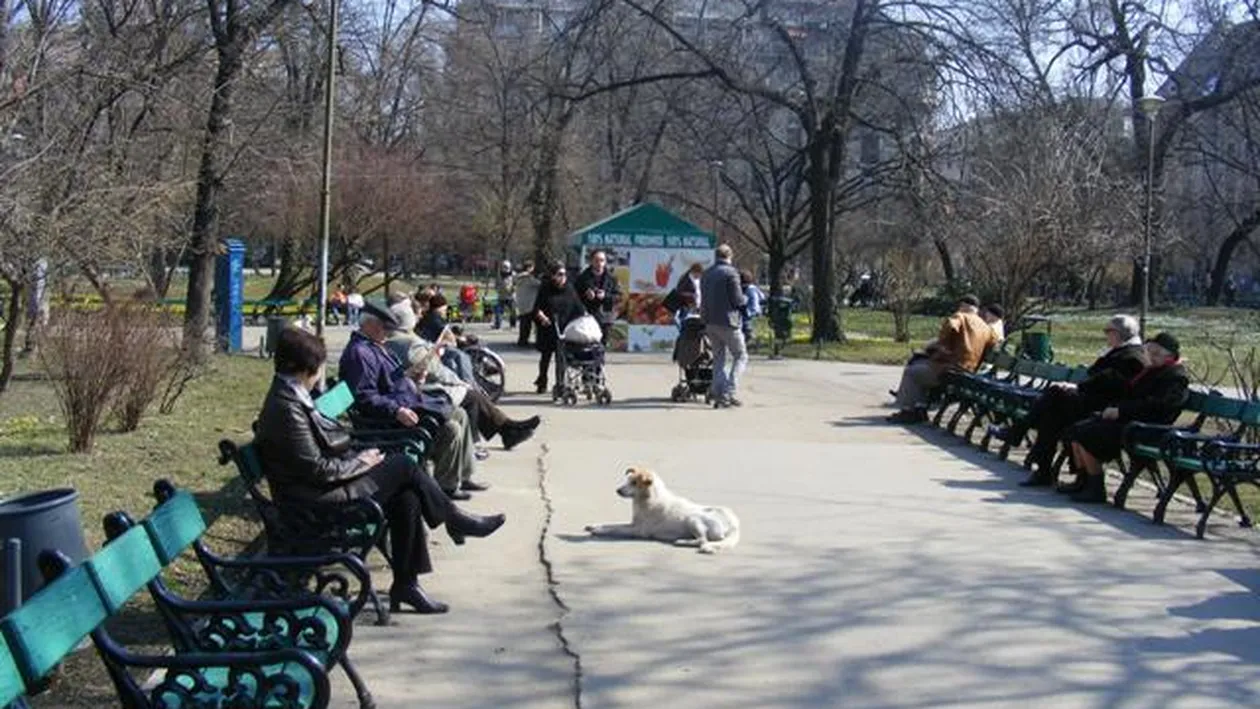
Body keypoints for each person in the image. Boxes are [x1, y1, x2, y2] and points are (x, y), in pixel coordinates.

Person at [254, 326, 505, 615]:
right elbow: (318, 469)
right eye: (317, 370)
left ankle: (407, 584)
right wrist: (361, 463)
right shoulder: (286, 407)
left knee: (407, 494)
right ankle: (453, 520)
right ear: (303, 369)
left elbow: (322, 448)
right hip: (314, 503)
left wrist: (361, 456)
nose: (317, 377)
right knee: (402, 466)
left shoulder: (291, 395)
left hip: (321, 489)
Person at [339, 302, 487, 499]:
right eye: (385, 328)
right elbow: (366, 397)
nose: (388, 334)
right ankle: (447, 486)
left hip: (406, 403)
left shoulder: (374, 346)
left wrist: (412, 378)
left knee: (459, 412)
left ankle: (461, 474)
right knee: (451, 428)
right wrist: (396, 410)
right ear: (370, 325)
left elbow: (391, 380)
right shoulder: (360, 353)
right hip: (390, 418)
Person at [988, 314, 1146, 486]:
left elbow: (1109, 384)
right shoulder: (1119, 352)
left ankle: (1018, 434)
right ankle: (1042, 469)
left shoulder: (1133, 357)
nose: (1105, 334)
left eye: (1108, 331)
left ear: (1119, 333)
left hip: (1104, 407)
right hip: (1091, 402)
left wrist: (1077, 388)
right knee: (1051, 416)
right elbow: (1097, 375)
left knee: (1055, 395)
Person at [1064, 332, 1190, 503]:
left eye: (1157, 353)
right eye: (1149, 351)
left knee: (1087, 433)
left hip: (1148, 427)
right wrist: (1114, 408)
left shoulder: (1176, 376)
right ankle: (1083, 480)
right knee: (1076, 429)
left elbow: (1158, 406)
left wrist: (1121, 411)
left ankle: (1096, 488)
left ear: (1171, 356)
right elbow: (1130, 393)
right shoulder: (1151, 370)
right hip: (1131, 420)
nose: (1151, 356)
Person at [386, 328, 540, 451]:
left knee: (470, 395)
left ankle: (507, 429)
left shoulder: (402, 339)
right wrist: (456, 379)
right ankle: (503, 432)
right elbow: (431, 369)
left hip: (422, 386)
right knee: (470, 396)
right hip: (421, 390)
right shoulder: (407, 342)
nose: (418, 315)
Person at [888, 295, 999, 424]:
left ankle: (908, 411)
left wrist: (939, 345)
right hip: (969, 371)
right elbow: (994, 343)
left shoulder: (960, 316)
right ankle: (920, 408)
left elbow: (951, 327)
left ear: (963, 306)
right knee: (921, 365)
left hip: (951, 370)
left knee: (912, 372)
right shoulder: (985, 327)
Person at [700, 244, 748, 408]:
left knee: (719, 358)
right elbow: (737, 299)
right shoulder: (731, 273)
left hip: (710, 321)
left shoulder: (706, 274)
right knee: (740, 356)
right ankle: (728, 392)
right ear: (729, 256)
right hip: (728, 322)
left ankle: (716, 390)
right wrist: (746, 302)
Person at [531, 261, 586, 394]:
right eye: (559, 274)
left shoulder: (569, 288)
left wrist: (584, 317)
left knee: (561, 358)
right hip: (547, 327)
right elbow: (536, 308)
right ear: (553, 276)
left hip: (563, 328)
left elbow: (578, 307)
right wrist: (541, 316)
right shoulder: (545, 288)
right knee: (545, 357)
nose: (563, 278)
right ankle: (542, 381)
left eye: (564, 275)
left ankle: (560, 384)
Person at [417, 294, 478, 386]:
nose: (445, 310)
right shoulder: (435, 318)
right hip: (432, 350)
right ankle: (468, 383)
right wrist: (461, 338)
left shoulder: (430, 316)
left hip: (430, 348)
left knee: (451, 359)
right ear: (440, 307)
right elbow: (446, 334)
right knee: (461, 355)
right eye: (444, 308)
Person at [574, 249, 621, 345]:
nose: (599, 263)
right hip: (587, 316)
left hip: (605, 317)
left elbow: (618, 296)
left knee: (601, 346)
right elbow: (574, 297)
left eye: (602, 260)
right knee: (588, 345)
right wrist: (586, 295)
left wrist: (605, 296)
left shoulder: (612, 278)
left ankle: (600, 359)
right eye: (596, 260)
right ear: (591, 261)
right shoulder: (582, 278)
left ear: (605, 262)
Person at [515, 261, 540, 347]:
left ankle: (522, 340)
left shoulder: (518, 277)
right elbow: (538, 284)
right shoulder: (528, 278)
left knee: (524, 323)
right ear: (530, 267)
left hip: (521, 303)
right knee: (534, 323)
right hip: (530, 304)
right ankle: (537, 340)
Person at [740, 269, 765, 344]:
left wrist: (748, 313)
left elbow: (754, 306)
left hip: (750, 316)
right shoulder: (749, 289)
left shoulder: (750, 290)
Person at [495, 261, 515, 330]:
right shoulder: (499, 274)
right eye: (504, 267)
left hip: (510, 296)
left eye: (506, 267)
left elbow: (516, 283)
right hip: (501, 296)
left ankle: (513, 324)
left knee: (512, 311)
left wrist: (513, 289)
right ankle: (498, 324)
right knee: (499, 311)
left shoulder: (513, 274)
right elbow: (496, 284)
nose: (505, 269)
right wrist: (498, 289)